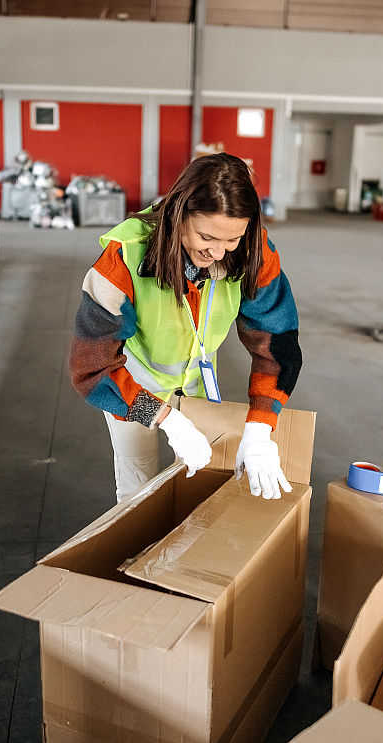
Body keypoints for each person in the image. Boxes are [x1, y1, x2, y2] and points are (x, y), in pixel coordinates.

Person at [70, 153, 302, 502]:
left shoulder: (255, 252)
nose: (219, 253)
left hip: (196, 380)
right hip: (131, 382)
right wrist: (162, 416)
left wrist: (259, 428)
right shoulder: (123, 258)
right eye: (207, 236)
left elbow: (277, 344)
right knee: (137, 491)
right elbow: (92, 365)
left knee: (202, 486)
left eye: (232, 239)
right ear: (179, 216)